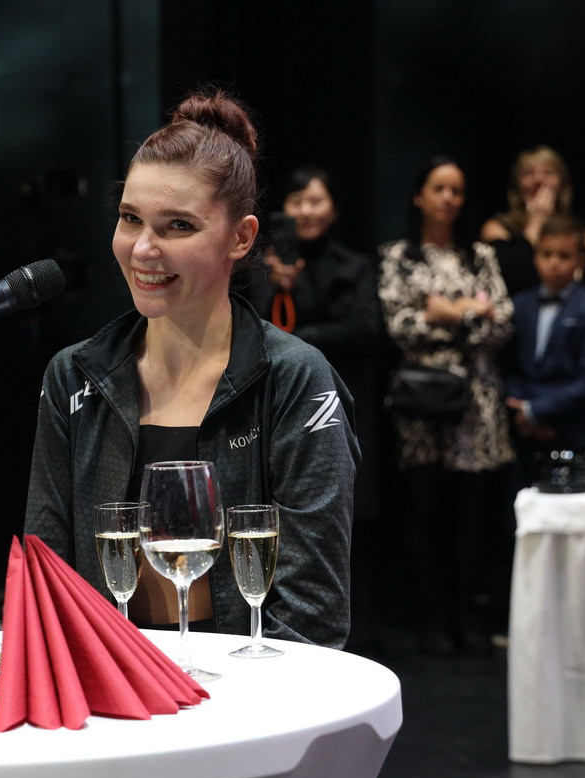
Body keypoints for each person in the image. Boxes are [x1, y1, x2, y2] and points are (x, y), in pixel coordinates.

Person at [24, 88, 358, 650]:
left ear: (241, 237)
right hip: (108, 684)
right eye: (130, 218)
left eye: (178, 225)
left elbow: (312, 614)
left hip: (252, 687)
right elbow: (47, 580)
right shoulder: (72, 376)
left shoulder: (295, 378)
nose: (142, 249)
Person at [239, 165, 384, 651]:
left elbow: (364, 330)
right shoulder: (262, 267)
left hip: (343, 404)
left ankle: (359, 632)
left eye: (316, 201)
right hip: (276, 409)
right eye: (297, 201)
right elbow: (252, 329)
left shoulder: (353, 265)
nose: (306, 211)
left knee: (350, 518)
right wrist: (275, 284)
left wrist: (301, 333)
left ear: (334, 208)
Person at [377, 157, 513, 655]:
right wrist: (471, 313)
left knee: (473, 514)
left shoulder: (480, 255)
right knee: (426, 512)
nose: (449, 198)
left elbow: (503, 324)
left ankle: (467, 615)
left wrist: (445, 314)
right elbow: (400, 326)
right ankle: (434, 616)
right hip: (422, 399)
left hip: (477, 401)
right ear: (419, 195)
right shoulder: (399, 256)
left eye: (456, 190)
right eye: (439, 188)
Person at [502, 214, 585, 487]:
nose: (554, 263)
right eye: (546, 254)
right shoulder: (519, 304)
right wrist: (523, 412)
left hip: (573, 434)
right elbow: (508, 365)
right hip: (524, 435)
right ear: (535, 256)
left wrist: (538, 410)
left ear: (581, 260)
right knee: (519, 506)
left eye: (564, 256)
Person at [480, 145, 585, 298]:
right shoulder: (497, 228)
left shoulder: (581, 232)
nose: (538, 180)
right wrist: (536, 222)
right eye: (528, 173)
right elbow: (509, 277)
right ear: (517, 187)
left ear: (562, 185)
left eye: (548, 172)